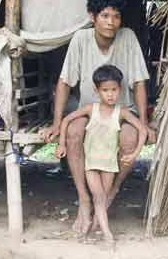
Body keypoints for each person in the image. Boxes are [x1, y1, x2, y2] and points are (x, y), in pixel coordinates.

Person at [38, 0, 156, 235]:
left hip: (124, 111)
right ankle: (84, 199)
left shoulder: (128, 38)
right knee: (72, 132)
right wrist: (57, 123)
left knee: (130, 137)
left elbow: (139, 84)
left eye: (116, 16)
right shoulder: (81, 39)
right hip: (89, 111)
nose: (111, 22)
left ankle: (110, 193)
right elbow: (64, 82)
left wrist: (143, 122)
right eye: (104, 15)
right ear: (92, 17)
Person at [55, 65, 147, 245]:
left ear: (120, 90)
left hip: (110, 166)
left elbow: (142, 130)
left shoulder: (122, 113)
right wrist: (61, 144)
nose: (110, 94)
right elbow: (66, 120)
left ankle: (92, 226)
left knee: (102, 198)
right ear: (97, 91)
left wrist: (135, 153)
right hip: (91, 165)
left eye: (114, 90)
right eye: (105, 90)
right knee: (98, 197)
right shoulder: (91, 109)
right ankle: (107, 236)